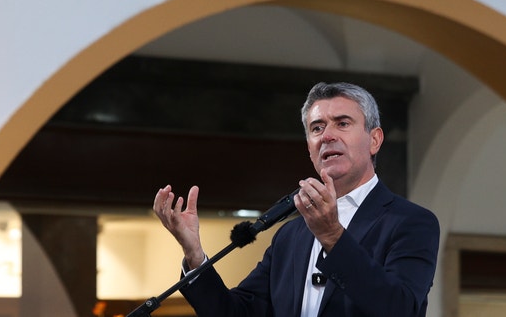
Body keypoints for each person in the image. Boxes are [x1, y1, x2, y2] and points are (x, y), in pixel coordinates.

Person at [153, 81, 440, 317]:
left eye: (342, 123)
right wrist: (194, 255)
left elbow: (401, 308)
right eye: (317, 128)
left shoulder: (411, 222)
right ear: (309, 148)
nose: (327, 136)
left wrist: (333, 237)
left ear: (374, 140)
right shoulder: (290, 235)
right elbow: (236, 312)